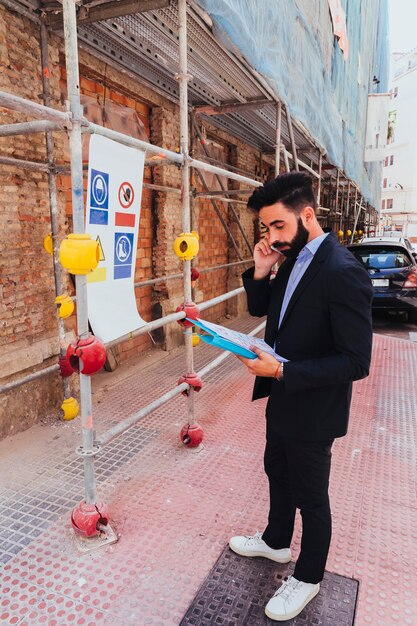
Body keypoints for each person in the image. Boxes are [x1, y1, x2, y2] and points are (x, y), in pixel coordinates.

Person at [229, 172, 373, 621]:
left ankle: (308, 577)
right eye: (266, 229)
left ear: (306, 215)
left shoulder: (343, 271)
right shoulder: (292, 258)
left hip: (313, 405)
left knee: (312, 496)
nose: (272, 237)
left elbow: (355, 361)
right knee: (277, 469)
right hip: (284, 396)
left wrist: (284, 370)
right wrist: (260, 267)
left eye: (278, 226)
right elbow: (262, 309)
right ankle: (275, 541)